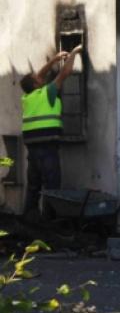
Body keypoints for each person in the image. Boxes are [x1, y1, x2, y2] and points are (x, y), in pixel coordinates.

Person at [19, 45, 83, 217]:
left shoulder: (27, 98)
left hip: (32, 150)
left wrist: (54, 59)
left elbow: (38, 76)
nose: (42, 77)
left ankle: (30, 221)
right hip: (47, 149)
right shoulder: (47, 93)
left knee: (33, 187)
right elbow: (66, 73)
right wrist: (75, 52)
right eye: (38, 78)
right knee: (52, 188)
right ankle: (50, 223)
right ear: (35, 84)